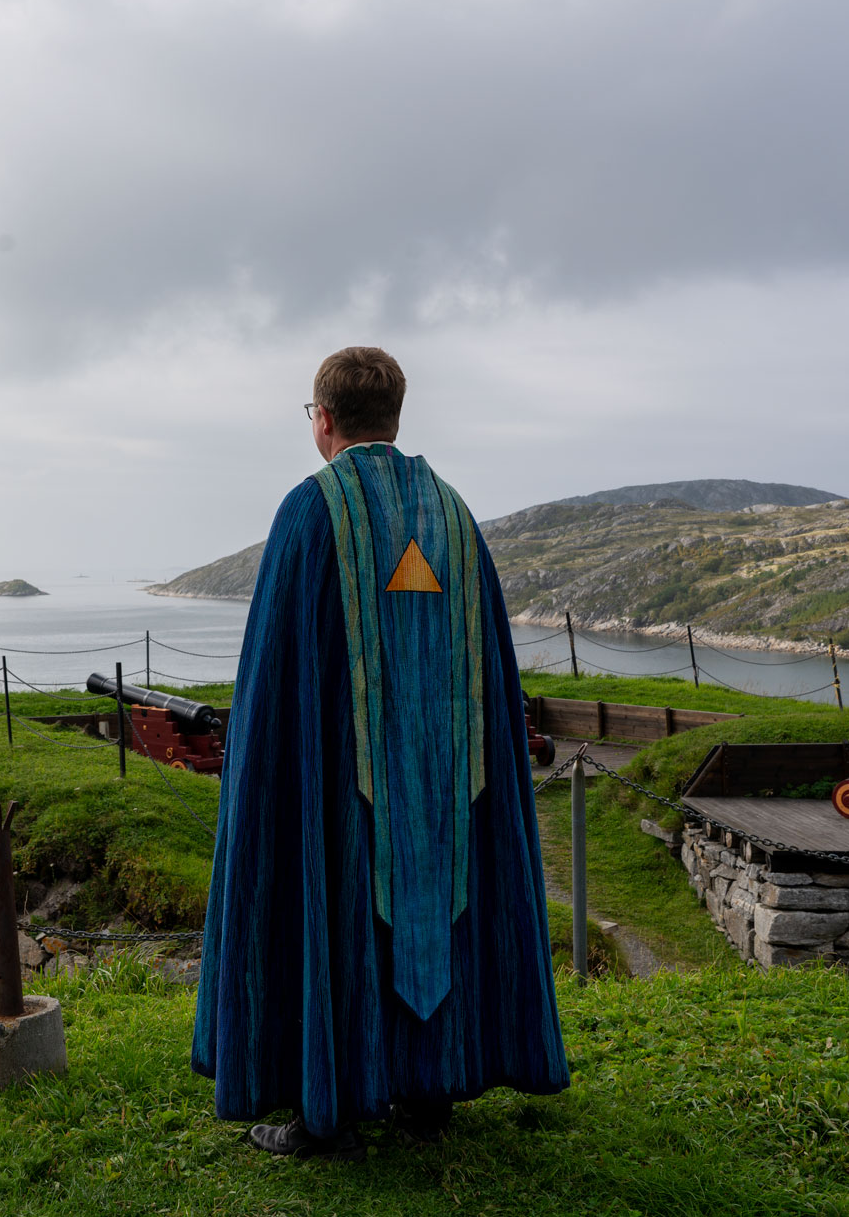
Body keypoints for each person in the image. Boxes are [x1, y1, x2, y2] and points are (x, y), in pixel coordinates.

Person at [191, 346, 569, 1158]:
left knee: (340, 902)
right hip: (448, 781)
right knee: (437, 897)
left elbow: (273, 676)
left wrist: (263, 775)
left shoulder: (310, 509)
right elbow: (490, 671)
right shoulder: (453, 514)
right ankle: (429, 1092)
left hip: (341, 782)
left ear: (322, 419)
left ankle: (324, 1106)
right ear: (396, 415)